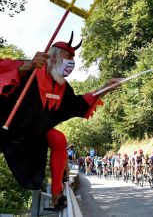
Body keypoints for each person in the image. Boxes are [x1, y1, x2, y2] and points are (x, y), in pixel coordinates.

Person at [0, 32, 121, 210]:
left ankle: (57, 194)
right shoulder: (31, 67)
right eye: (68, 56)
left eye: (73, 58)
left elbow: (79, 103)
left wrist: (104, 88)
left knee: (58, 139)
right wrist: (27, 66)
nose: (71, 61)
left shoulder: (63, 87)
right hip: (8, 127)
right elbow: (4, 69)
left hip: (35, 133)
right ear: (53, 57)